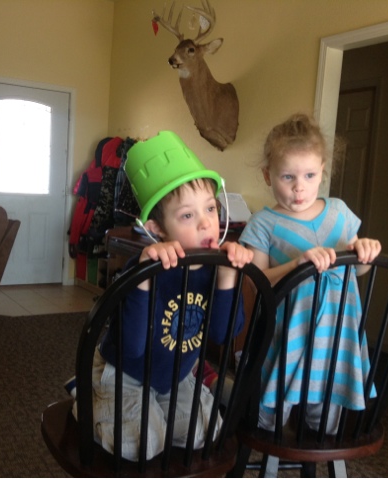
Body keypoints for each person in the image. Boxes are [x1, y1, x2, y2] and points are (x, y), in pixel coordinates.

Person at [73, 130, 253, 461]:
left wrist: (229, 276)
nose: (206, 224)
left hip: (174, 375)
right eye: (187, 215)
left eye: (210, 208)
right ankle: (87, 396)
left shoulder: (215, 266)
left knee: (205, 432)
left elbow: (222, 334)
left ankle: (153, 408)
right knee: (141, 445)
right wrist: (144, 279)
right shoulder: (143, 269)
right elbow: (131, 347)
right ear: (157, 229)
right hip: (124, 373)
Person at [239, 112, 382, 434]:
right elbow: (258, 282)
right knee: (268, 419)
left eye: (309, 175)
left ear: (322, 172)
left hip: (336, 339)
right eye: (287, 176)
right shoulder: (263, 223)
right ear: (268, 175)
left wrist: (365, 252)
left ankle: (316, 453)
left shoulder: (340, 213)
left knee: (324, 424)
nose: (299, 187)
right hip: (287, 335)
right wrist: (296, 265)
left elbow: (358, 270)